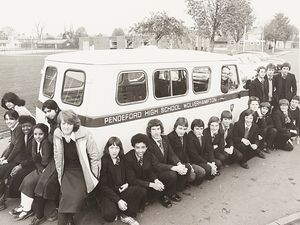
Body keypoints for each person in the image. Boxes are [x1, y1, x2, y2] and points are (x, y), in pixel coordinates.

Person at [53, 110, 101, 225]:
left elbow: (95, 156)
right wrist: (60, 173)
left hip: (82, 171)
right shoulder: (57, 134)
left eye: (69, 123)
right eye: (63, 123)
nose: (66, 127)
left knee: (76, 195)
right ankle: (67, 220)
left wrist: (94, 175)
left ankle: (67, 219)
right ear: (60, 124)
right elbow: (56, 155)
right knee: (65, 195)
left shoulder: (85, 134)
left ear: (74, 124)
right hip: (67, 170)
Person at [11, 123, 59, 225]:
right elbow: (35, 158)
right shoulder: (34, 140)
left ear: (45, 134)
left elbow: (45, 161)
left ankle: (32, 210)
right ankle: (25, 207)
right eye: (35, 134)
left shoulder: (46, 143)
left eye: (40, 134)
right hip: (40, 167)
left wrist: (39, 163)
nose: (37, 137)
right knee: (27, 180)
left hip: (48, 167)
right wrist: (38, 164)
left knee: (37, 183)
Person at [97, 137, 146, 225]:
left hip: (122, 189)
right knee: (109, 215)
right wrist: (118, 200)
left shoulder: (123, 159)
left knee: (140, 190)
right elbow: (103, 187)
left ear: (120, 149)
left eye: (117, 148)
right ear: (107, 149)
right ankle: (119, 210)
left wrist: (127, 184)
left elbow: (130, 176)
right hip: (109, 193)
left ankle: (124, 215)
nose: (114, 151)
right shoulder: (104, 161)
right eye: (112, 147)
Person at [147, 119, 188, 208]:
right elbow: (156, 165)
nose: (156, 132)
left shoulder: (165, 138)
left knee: (185, 167)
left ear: (161, 129)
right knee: (171, 174)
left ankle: (172, 192)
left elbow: (172, 154)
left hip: (165, 167)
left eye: (158, 129)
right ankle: (163, 196)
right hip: (155, 172)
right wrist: (174, 168)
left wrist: (179, 164)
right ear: (149, 131)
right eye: (153, 129)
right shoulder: (148, 143)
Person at [125, 133, 165, 204]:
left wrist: (156, 180)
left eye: (143, 147)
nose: (140, 150)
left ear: (146, 147)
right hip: (134, 184)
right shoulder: (128, 158)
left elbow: (149, 171)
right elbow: (132, 180)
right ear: (133, 147)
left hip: (145, 180)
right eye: (137, 147)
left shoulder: (148, 154)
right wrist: (152, 185)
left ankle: (160, 196)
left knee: (162, 178)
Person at [167, 117, 205, 185]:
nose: (182, 131)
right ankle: (181, 185)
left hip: (186, 163)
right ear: (175, 127)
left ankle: (186, 183)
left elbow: (186, 152)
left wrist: (189, 164)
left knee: (201, 172)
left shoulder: (185, 135)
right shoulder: (170, 137)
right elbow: (172, 156)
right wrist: (186, 166)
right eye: (180, 128)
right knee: (192, 176)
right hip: (176, 164)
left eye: (184, 129)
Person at [0, 110, 25, 210]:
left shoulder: (19, 129)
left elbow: (18, 147)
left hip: (20, 159)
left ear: (17, 119)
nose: (8, 121)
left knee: (2, 171)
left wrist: (8, 160)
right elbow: (11, 145)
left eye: (11, 119)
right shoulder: (13, 128)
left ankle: (2, 200)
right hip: (14, 158)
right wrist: (3, 157)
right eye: (6, 119)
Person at [7, 116, 36, 199]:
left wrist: (21, 166)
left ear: (33, 126)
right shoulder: (25, 135)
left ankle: (15, 195)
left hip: (34, 164)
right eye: (23, 126)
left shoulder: (34, 136)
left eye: (28, 126)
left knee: (18, 175)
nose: (25, 128)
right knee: (10, 170)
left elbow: (34, 157)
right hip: (27, 161)